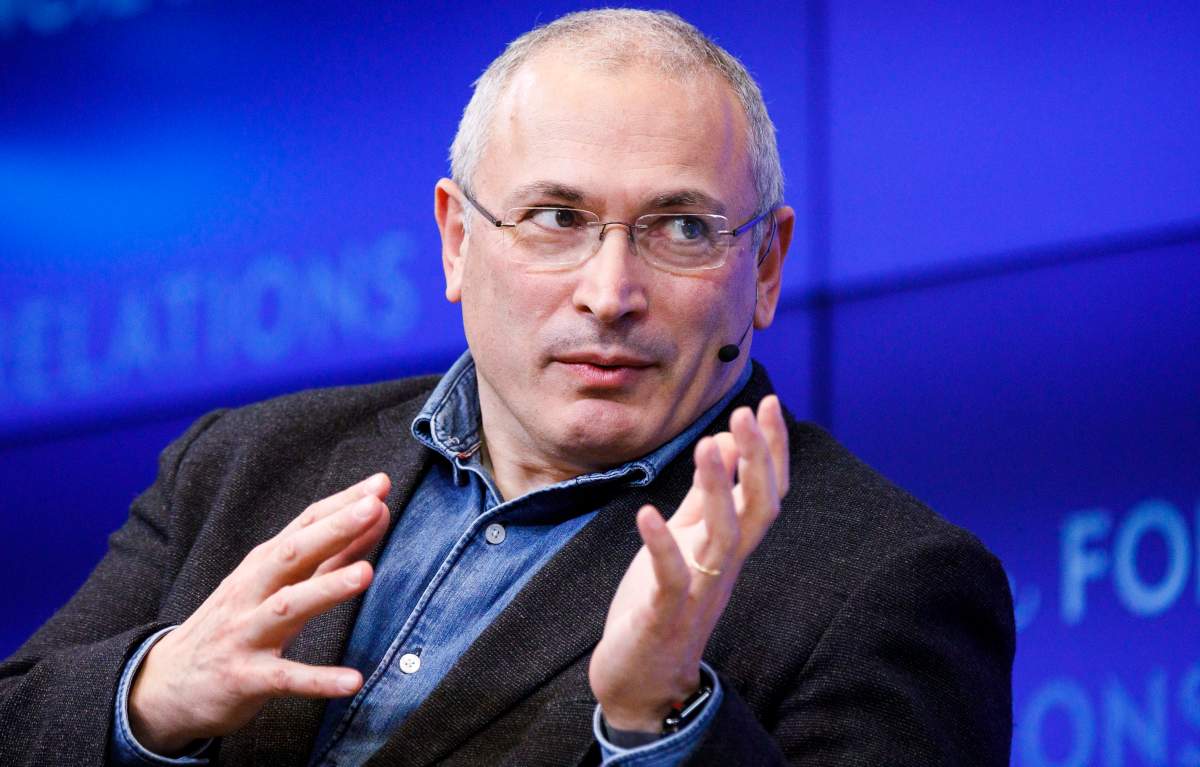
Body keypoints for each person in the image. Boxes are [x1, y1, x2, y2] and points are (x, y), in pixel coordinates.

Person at [0, 9, 1014, 766]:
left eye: (683, 228)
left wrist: (659, 720)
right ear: (455, 239)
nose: (610, 292)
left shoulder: (891, 578)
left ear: (767, 268)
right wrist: (150, 697)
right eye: (557, 218)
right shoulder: (240, 465)